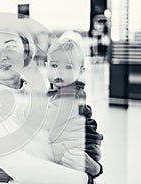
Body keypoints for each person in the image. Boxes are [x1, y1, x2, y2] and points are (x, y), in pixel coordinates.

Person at [0, 27, 103, 183]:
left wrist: (94, 167)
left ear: (26, 51)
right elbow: (16, 165)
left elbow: (78, 134)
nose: (1, 56)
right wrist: (84, 179)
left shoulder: (44, 96)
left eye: (10, 46)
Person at [43, 31, 103, 179]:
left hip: (80, 152)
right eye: (54, 65)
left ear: (80, 71)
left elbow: (49, 119)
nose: (59, 72)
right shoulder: (56, 92)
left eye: (68, 67)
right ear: (46, 66)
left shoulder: (72, 94)